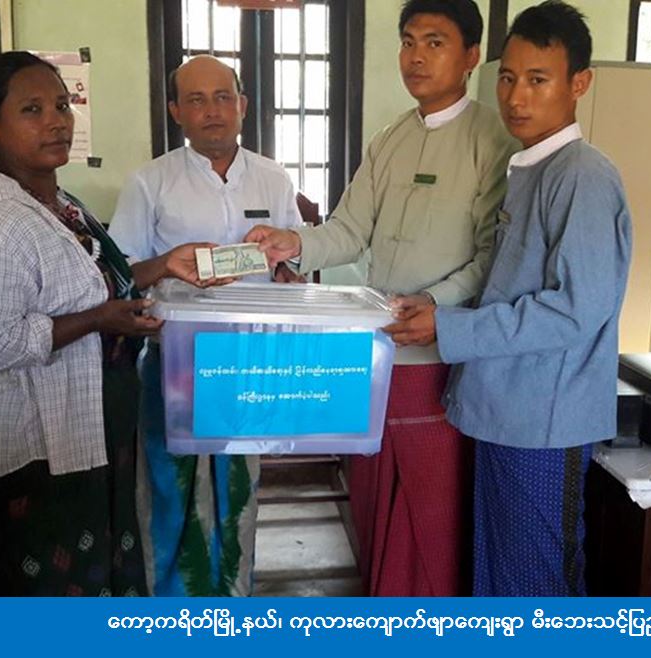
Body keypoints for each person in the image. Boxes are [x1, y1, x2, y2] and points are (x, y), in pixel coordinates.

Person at [244, 0, 516, 596]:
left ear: (471, 56)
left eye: (435, 42)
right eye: (408, 40)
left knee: (433, 518)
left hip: (441, 360)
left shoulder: (493, 140)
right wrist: (293, 242)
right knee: (372, 504)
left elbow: (493, 256)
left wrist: (435, 306)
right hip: (378, 353)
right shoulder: (391, 138)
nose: (416, 56)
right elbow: (348, 229)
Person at [382, 0, 630, 596]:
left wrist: (449, 327)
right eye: (508, 78)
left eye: (538, 80)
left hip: (543, 422)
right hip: (506, 411)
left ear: (580, 84)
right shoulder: (531, 168)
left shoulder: (582, 176)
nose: (516, 97)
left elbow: (573, 310)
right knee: (498, 575)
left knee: (534, 581)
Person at [0, 51, 214, 596]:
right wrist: (99, 320)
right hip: (41, 454)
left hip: (98, 434)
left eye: (62, 106)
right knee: (56, 594)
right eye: (32, 109)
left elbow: (95, 282)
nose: (56, 121)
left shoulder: (59, 204)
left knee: (105, 578)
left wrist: (163, 265)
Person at [108, 55, 302, 597]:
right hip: (174, 364)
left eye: (222, 97)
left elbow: (293, 255)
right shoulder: (150, 182)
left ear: (242, 106)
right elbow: (120, 271)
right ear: (176, 111)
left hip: (248, 362)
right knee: (170, 487)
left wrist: (285, 269)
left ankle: (233, 599)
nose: (212, 110)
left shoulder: (273, 178)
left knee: (237, 487)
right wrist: (167, 264)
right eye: (196, 100)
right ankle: (171, 605)